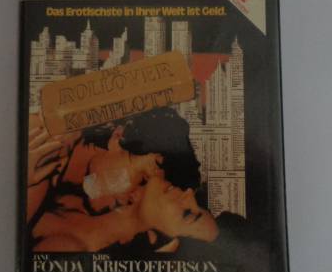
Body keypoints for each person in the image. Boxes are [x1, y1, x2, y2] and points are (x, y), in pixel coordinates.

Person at [25, 107, 213, 252]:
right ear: (118, 137)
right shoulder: (44, 147)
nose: (131, 197)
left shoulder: (68, 198)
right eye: (142, 179)